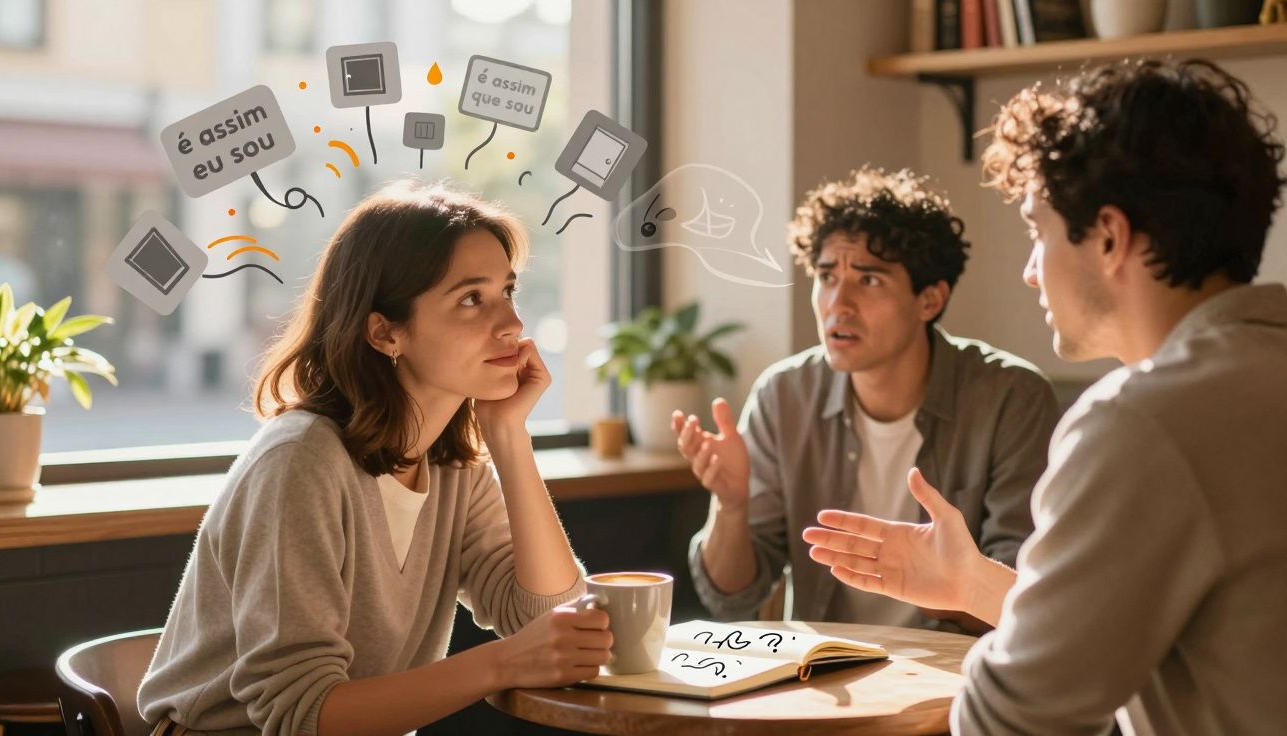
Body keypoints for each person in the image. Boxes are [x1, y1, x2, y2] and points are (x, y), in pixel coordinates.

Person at [804, 59, 1287, 734]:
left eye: (1038, 229)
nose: (1031, 271)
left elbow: (1011, 721)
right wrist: (971, 582)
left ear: (1111, 239)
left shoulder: (1142, 423)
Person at [138, 182, 612, 736]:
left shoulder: (453, 466)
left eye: (508, 291)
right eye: (470, 298)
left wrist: (509, 438)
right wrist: (502, 664)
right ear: (386, 332)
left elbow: (544, 617)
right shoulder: (301, 462)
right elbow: (301, 716)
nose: (512, 324)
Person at [674, 166, 1060, 633]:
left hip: (956, 682)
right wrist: (731, 506)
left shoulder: (1012, 399)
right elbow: (732, 597)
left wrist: (945, 580)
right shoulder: (785, 395)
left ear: (929, 301)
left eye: (869, 280)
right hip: (822, 678)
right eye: (826, 275)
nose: (839, 303)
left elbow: (1023, 601)